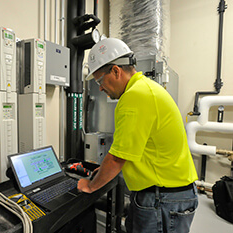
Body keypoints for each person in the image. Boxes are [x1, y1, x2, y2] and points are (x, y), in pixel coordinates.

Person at [77, 38, 198, 233]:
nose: (99, 88)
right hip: (167, 194)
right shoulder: (145, 88)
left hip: (162, 198)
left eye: (100, 81)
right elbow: (134, 150)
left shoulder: (135, 96)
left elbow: (118, 158)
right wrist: (102, 171)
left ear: (116, 71)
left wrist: (90, 186)